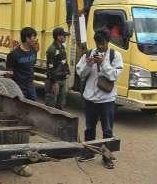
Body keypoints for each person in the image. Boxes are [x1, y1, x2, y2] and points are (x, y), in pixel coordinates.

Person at [75, 28, 123, 169]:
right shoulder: (89, 53)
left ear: (108, 42)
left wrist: (103, 63)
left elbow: (114, 75)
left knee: (107, 130)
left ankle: (107, 157)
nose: (100, 46)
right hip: (90, 98)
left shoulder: (115, 55)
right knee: (89, 128)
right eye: (98, 43)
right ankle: (89, 153)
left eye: (102, 43)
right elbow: (81, 74)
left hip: (107, 100)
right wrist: (89, 64)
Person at [6, 27, 38, 101]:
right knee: (20, 107)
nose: (35, 40)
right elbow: (8, 74)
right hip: (19, 86)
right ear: (27, 38)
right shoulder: (13, 55)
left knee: (33, 105)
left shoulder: (34, 51)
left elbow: (31, 67)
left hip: (30, 85)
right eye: (34, 37)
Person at [44, 27, 70, 109]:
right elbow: (50, 68)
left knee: (60, 105)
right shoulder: (52, 49)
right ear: (58, 37)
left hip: (62, 79)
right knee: (50, 107)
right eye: (64, 36)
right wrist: (54, 82)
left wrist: (68, 71)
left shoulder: (62, 47)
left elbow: (64, 61)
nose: (65, 37)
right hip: (54, 81)